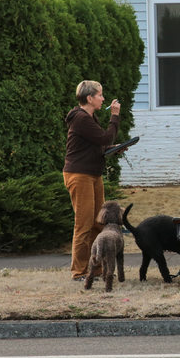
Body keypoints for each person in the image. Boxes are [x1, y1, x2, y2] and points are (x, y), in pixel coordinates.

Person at [63, 80, 121, 281]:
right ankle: (78, 272)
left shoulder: (90, 117)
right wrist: (114, 116)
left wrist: (113, 149)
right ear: (89, 98)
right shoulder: (81, 118)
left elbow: (98, 145)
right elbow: (105, 138)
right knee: (84, 224)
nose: (103, 99)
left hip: (93, 174)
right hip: (79, 175)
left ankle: (95, 269)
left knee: (98, 223)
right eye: (100, 95)